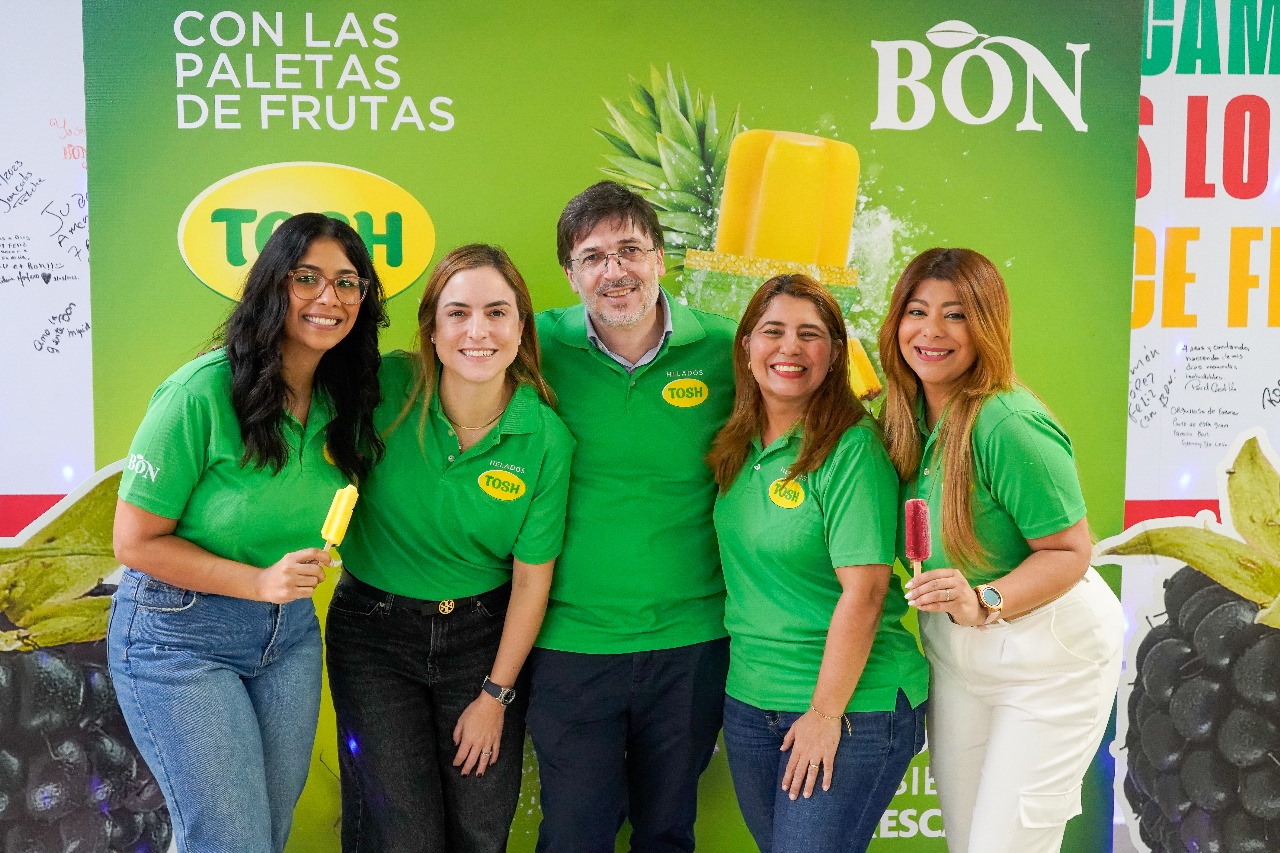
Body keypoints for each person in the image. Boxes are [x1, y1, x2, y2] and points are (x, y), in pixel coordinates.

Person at [109, 213, 386, 852]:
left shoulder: (343, 399)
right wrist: (259, 581)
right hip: (178, 637)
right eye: (307, 278)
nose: (331, 298)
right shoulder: (200, 392)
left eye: (349, 283)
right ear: (271, 286)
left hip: (285, 638)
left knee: (266, 833)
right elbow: (135, 543)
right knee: (231, 842)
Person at [326, 243, 574, 853]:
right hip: (373, 633)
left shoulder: (544, 438)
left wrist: (495, 695)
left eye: (497, 312)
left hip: (483, 641)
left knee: (480, 829)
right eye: (458, 313)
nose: (478, 331)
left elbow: (531, 581)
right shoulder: (385, 386)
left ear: (521, 328)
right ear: (432, 331)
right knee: (398, 833)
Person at [880, 248, 1124, 853]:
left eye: (956, 315)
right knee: (967, 843)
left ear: (986, 327)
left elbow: (1071, 550)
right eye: (917, 311)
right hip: (957, 655)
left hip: (1047, 655)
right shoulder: (900, 418)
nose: (931, 332)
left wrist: (986, 600)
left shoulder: (1007, 424)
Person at [528, 181, 735, 853]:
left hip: (691, 641)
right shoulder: (532, 348)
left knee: (667, 831)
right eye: (593, 256)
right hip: (570, 641)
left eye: (629, 250)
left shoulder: (729, 351)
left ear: (662, 259)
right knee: (572, 836)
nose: (614, 271)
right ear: (570, 273)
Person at [707, 274, 929, 853]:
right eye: (773, 331)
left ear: (834, 354)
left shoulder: (852, 448)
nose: (790, 348)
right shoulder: (737, 444)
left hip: (848, 707)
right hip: (753, 700)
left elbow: (867, 592)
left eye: (810, 334)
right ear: (747, 346)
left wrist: (825, 714)